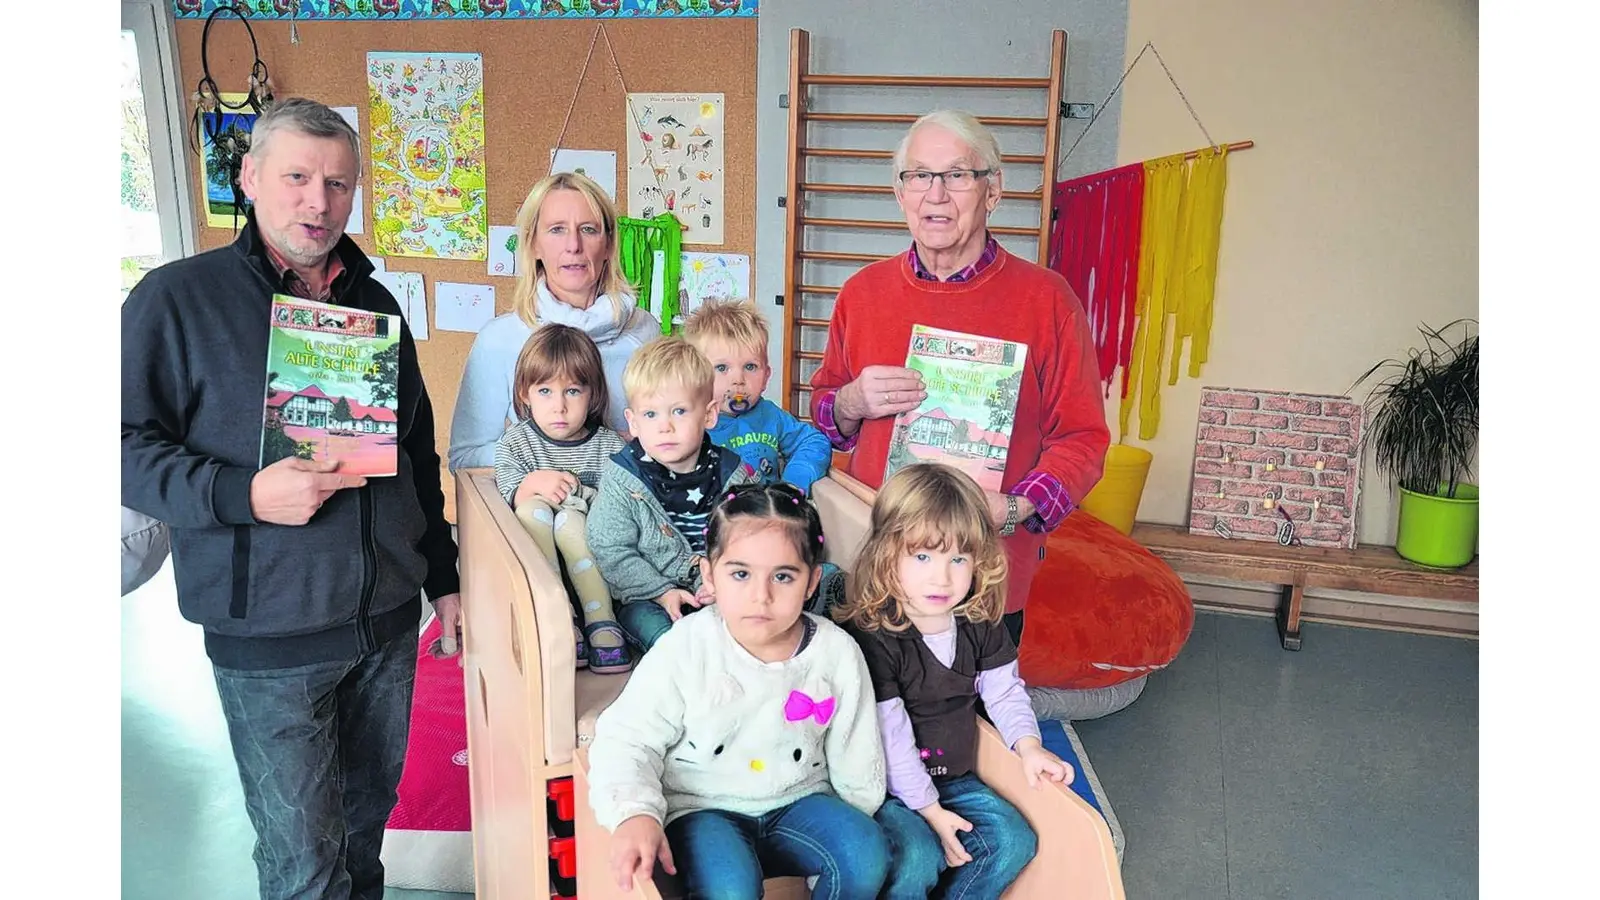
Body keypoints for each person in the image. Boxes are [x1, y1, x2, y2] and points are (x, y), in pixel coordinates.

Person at [121, 97, 461, 900]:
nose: (319, 201)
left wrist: (442, 581)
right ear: (249, 177)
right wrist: (242, 493)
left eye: (338, 183)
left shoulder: (374, 304)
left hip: (383, 623)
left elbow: (415, 451)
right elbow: (119, 446)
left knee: (363, 842)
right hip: (265, 635)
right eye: (298, 177)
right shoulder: (174, 300)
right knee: (303, 866)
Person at [808, 109, 1112, 651]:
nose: (937, 194)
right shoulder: (862, 293)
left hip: (986, 571)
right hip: (877, 563)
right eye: (919, 176)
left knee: (969, 726)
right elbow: (826, 413)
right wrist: (851, 401)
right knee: (869, 725)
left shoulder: (1047, 301)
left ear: (992, 190)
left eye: (957, 175)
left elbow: (1083, 440)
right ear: (900, 194)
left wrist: (1014, 508)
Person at [587, 483, 890, 899]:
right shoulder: (688, 644)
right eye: (740, 574)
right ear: (710, 574)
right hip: (703, 808)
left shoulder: (836, 651)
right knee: (731, 887)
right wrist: (634, 812)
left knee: (866, 851)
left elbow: (857, 753)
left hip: (799, 802)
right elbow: (626, 738)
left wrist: (855, 821)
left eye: (783, 576)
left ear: (811, 581)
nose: (760, 596)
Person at [833, 464, 1072, 898]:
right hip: (885, 787)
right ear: (887, 554)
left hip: (955, 780)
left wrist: (1029, 745)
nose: (941, 577)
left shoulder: (978, 622)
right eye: (922, 556)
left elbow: (1003, 691)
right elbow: (891, 735)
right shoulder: (875, 636)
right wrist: (929, 810)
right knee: (917, 857)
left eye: (958, 558)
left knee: (1015, 841)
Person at [450, 171, 659, 471]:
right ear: (534, 243)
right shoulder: (499, 339)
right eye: (557, 229)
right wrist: (553, 458)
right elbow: (465, 458)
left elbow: (672, 430)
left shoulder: (645, 332)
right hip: (533, 513)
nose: (573, 245)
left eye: (588, 229)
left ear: (610, 244)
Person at [586, 338, 758, 653]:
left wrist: (722, 581)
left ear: (708, 415)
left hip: (716, 589)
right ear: (633, 423)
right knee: (667, 639)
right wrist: (663, 591)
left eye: (679, 411)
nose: (665, 426)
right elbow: (611, 550)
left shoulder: (731, 473)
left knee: (746, 631)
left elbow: (749, 540)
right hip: (647, 596)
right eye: (650, 415)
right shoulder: (623, 477)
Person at [494, 325, 631, 674]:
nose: (559, 406)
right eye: (545, 391)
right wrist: (532, 482)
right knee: (533, 508)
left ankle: (601, 619)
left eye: (572, 390)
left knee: (571, 521)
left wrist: (579, 499)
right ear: (525, 393)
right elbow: (508, 498)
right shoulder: (517, 443)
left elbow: (620, 510)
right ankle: (559, 619)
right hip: (540, 579)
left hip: (598, 568)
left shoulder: (609, 447)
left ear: (592, 394)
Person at [681, 299, 832, 494]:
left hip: (765, 515)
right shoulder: (690, 422)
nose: (738, 379)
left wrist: (792, 483)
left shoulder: (770, 415)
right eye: (721, 368)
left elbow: (813, 441)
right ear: (696, 376)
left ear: (766, 376)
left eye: (750, 367)